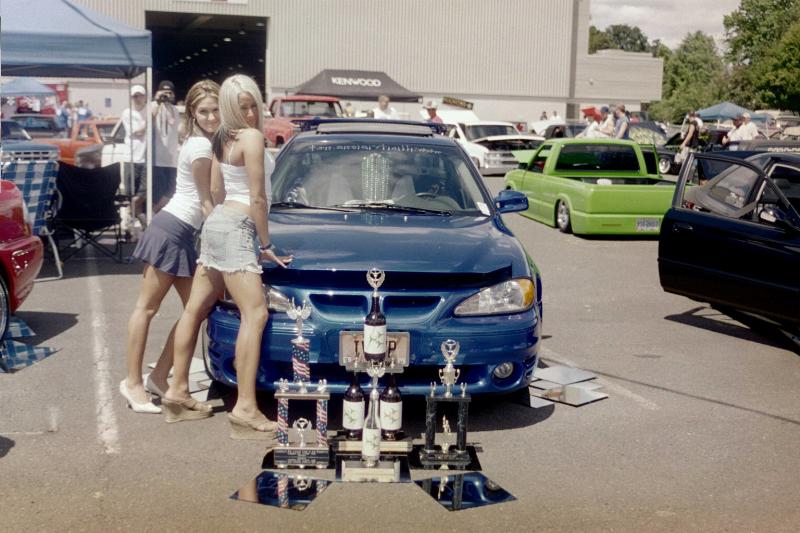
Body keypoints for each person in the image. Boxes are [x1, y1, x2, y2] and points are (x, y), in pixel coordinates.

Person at [164, 74, 291, 438]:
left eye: (253, 106)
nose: (250, 113)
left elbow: (218, 189)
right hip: (238, 227)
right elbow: (258, 198)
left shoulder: (221, 137)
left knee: (195, 309)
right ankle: (246, 408)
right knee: (256, 313)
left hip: (218, 223)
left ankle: (177, 393)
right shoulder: (251, 137)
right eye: (242, 107)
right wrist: (265, 245)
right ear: (230, 107)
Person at [119, 79, 221, 414]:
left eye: (216, 110)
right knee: (147, 309)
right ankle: (133, 383)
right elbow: (206, 202)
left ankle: (159, 376)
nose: (211, 117)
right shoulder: (200, 146)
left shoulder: (205, 142)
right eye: (204, 111)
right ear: (192, 113)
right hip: (170, 231)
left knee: (197, 309)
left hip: (182, 234)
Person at [120, 85, 148, 226]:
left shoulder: (150, 110)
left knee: (143, 193)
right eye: (134, 96)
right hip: (130, 158)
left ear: (145, 97)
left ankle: (132, 216)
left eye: (139, 95)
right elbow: (138, 132)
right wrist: (149, 121)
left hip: (147, 159)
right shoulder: (127, 113)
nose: (137, 98)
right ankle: (134, 221)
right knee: (130, 193)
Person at [152, 80, 181, 212]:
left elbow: (178, 127)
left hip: (172, 159)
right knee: (158, 191)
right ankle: (155, 213)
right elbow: (149, 120)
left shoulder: (175, 110)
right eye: (164, 92)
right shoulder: (153, 106)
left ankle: (156, 212)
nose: (166, 96)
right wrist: (158, 102)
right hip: (157, 159)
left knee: (172, 190)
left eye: (169, 93)